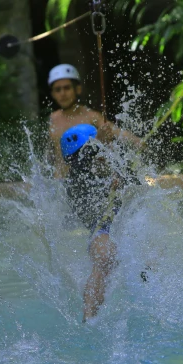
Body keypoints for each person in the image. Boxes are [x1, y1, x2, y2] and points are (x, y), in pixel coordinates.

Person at [60, 124, 141, 321]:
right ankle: (88, 319)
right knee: (104, 258)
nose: (107, 151)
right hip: (101, 230)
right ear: (86, 154)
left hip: (122, 226)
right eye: (99, 147)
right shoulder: (78, 180)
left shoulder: (102, 169)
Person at [47, 64, 142, 177]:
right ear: (53, 94)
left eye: (67, 88)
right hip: (61, 183)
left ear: (78, 89)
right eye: (58, 90)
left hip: (89, 181)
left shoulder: (92, 116)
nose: (62, 94)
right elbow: (50, 155)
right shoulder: (52, 119)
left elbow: (118, 132)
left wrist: (139, 142)